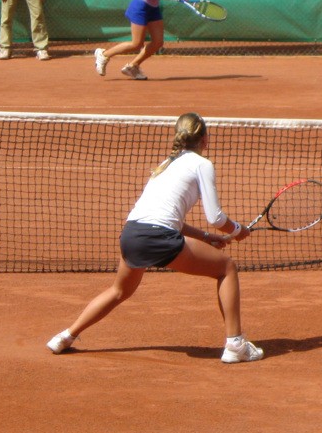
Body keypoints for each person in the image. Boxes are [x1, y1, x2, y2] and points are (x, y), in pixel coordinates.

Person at [46, 112, 263, 364]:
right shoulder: (202, 164)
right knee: (226, 268)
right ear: (205, 139)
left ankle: (65, 336)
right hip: (158, 237)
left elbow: (170, 220)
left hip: (131, 234)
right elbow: (215, 217)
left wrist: (206, 237)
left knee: (119, 291)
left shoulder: (165, 165)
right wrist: (238, 230)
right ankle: (235, 343)